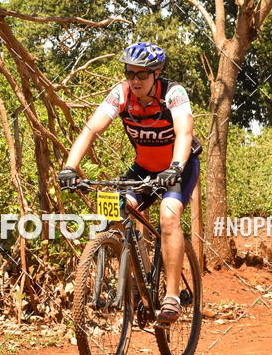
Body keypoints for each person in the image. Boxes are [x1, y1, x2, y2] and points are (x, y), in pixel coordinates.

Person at [57, 42, 201, 324]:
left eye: (142, 74)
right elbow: (91, 129)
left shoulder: (173, 93)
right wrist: (70, 167)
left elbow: (184, 133)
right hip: (144, 169)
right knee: (114, 211)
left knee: (168, 216)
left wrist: (175, 167)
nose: (135, 80)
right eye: (130, 73)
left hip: (179, 167)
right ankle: (138, 284)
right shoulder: (121, 94)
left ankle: (172, 297)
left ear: (156, 73)